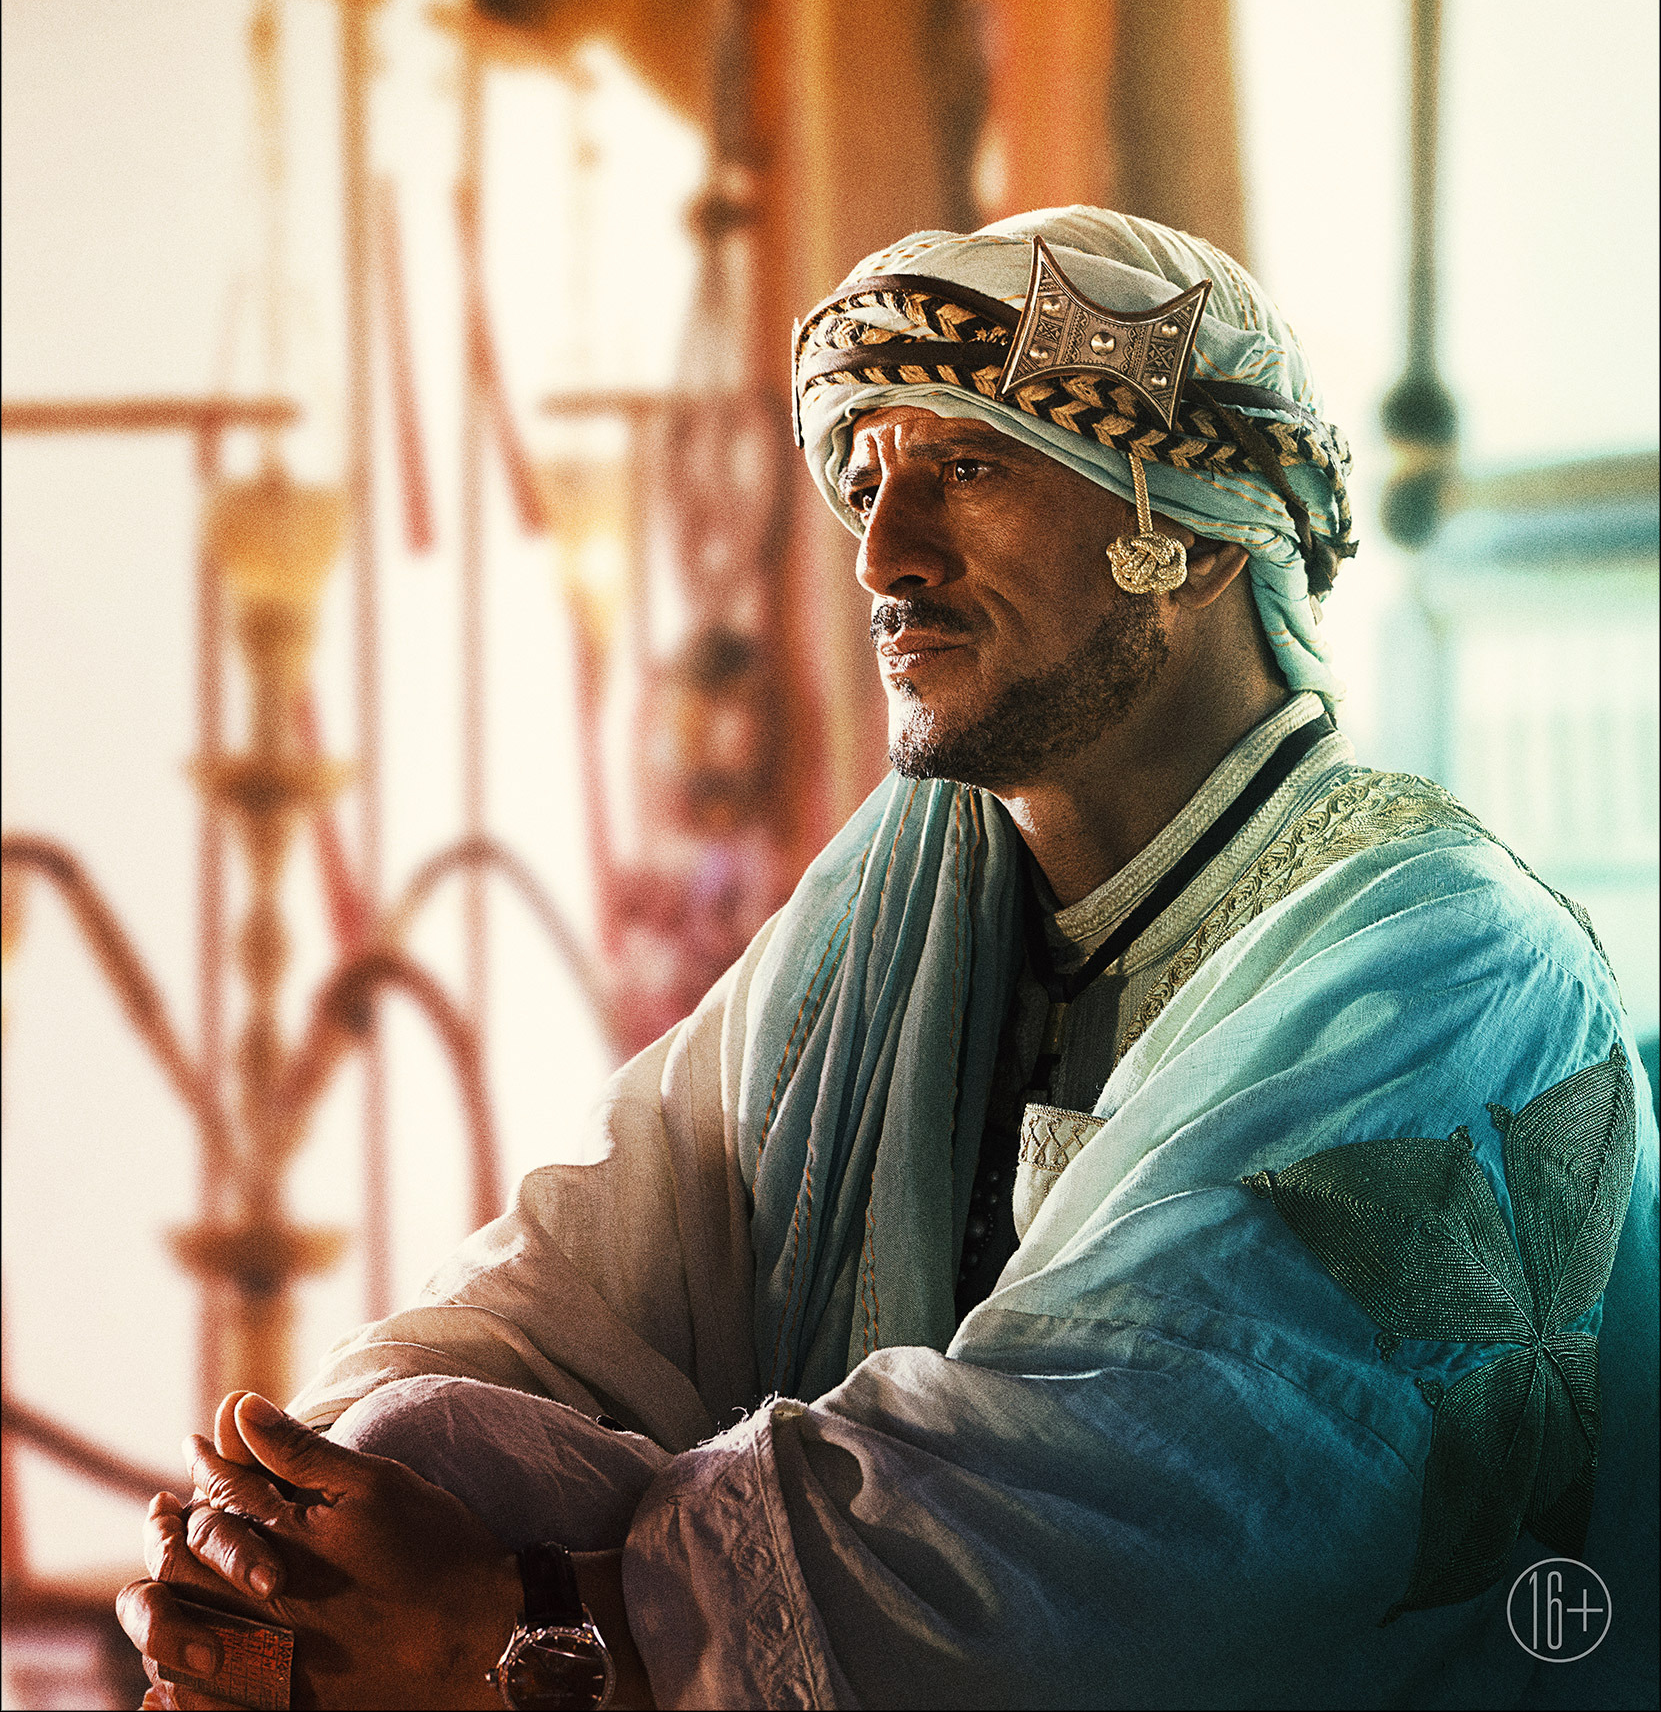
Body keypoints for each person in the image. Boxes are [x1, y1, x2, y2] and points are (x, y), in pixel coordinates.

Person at [122, 210, 1658, 1711]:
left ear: (1192, 536)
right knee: (416, 1434)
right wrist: (283, 1529)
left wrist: (519, 1632)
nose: (882, 553)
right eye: (865, 481)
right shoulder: (896, 908)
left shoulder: (1445, 961)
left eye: (967, 469)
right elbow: (570, 1275)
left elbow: (1133, 1508)